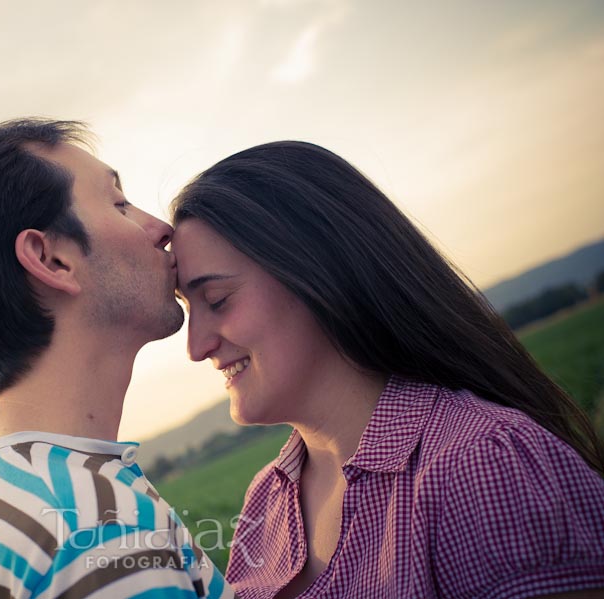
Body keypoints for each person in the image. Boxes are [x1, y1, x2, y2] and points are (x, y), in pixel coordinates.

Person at [170, 140, 604, 599]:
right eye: (188, 308)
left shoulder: (483, 464)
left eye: (217, 300)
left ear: (319, 272)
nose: (197, 347)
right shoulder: (266, 501)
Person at [0, 118, 233, 599]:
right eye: (118, 204)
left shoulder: (12, 498)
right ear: (52, 260)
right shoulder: (98, 532)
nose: (161, 228)